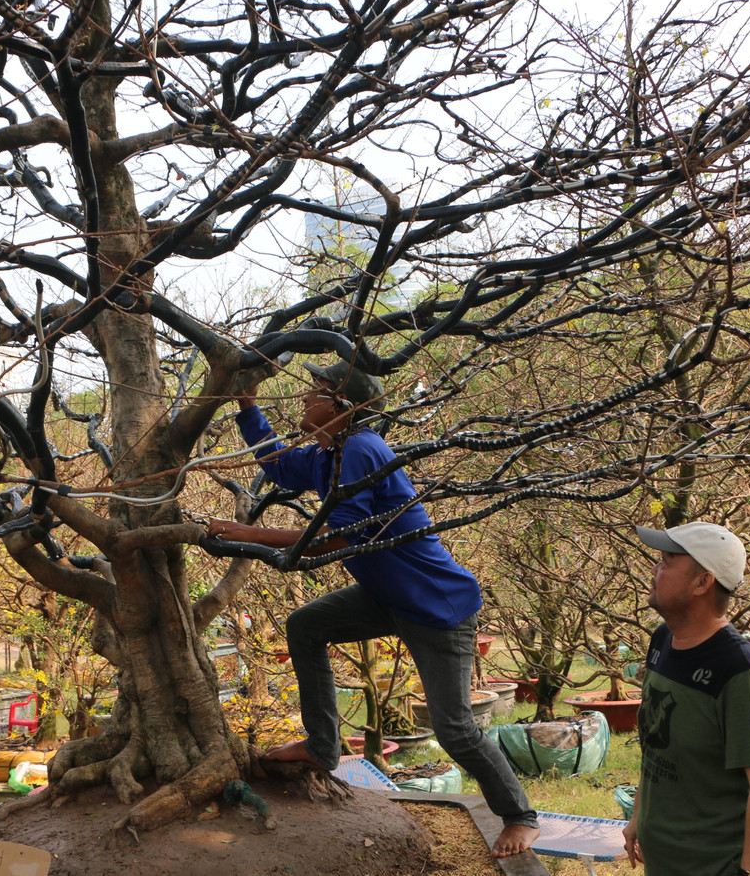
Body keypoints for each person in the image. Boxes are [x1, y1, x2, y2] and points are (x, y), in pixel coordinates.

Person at [205, 359, 539, 857]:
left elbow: (332, 539)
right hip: (387, 597)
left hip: (435, 607)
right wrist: (246, 402)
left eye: (316, 391)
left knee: (453, 728)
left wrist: (247, 533)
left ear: (345, 406)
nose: (305, 398)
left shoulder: (362, 449)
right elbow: (276, 463)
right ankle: (323, 748)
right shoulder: (328, 454)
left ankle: (520, 815)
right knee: (305, 625)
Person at [624, 522, 750, 876]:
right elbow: (656, 745)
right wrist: (639, 815)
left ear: (702, 583)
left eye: (666, 561)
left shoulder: (738, 670)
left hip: (715, 865)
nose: (654, 570)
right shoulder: (663, 639)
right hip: (666, 859)